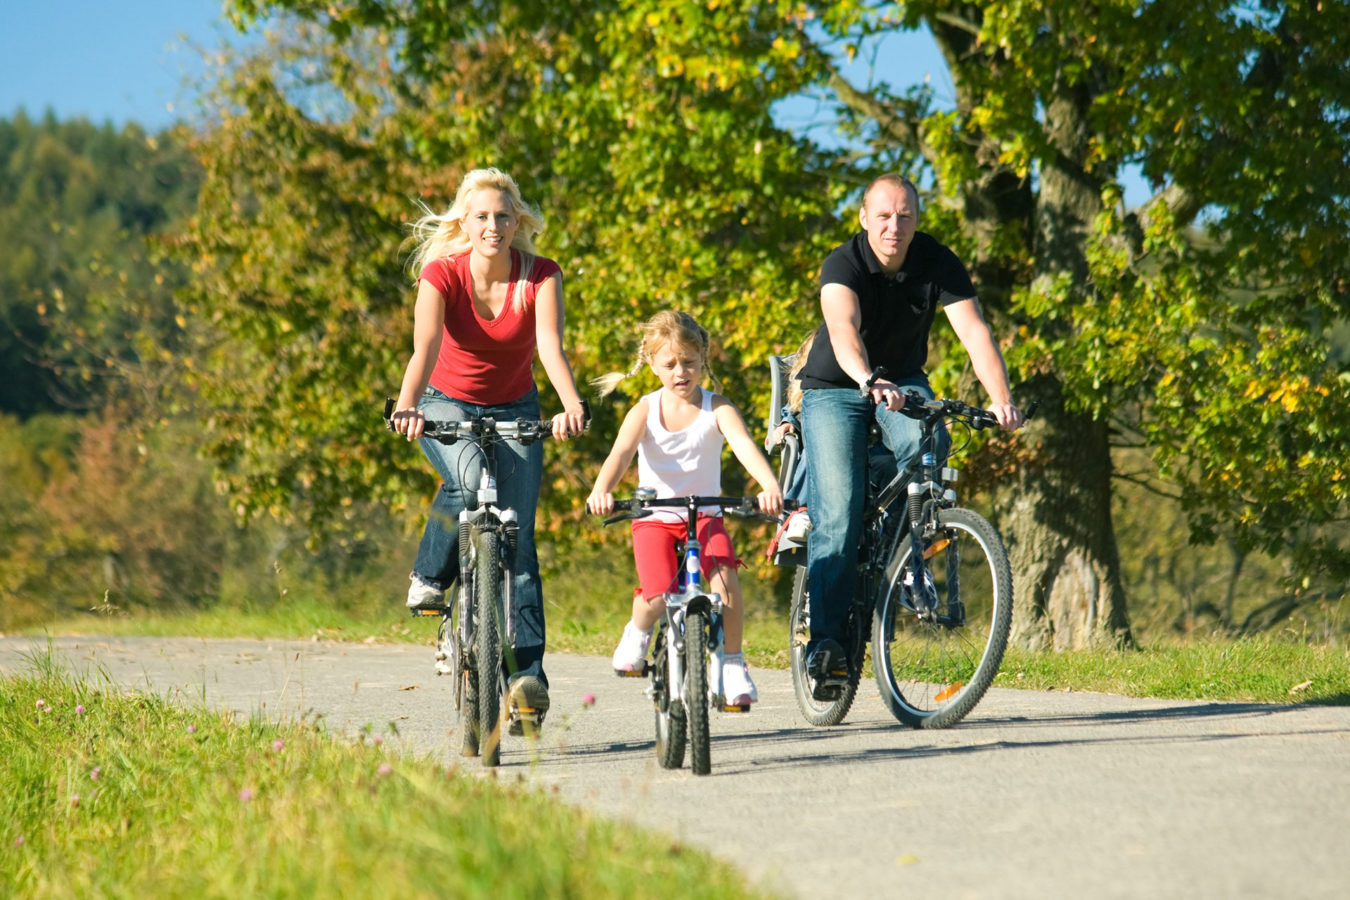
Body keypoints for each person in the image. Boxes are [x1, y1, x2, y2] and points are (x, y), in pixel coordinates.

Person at [798, 174, 1024, 695]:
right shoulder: (843, 263)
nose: (893, 226)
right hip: (836, 387)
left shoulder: (936, 260)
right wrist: (866, 379)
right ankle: (827, 647)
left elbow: (973, 332)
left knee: (932, 444)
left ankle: (906, 557)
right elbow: (842, 330)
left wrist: (1001, 400)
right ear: (864, 218)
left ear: (917, 221)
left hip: (901, 380)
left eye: (904, 216)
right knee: (839, 509)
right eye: (883, 216)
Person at [389, 167, 587, 729]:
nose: (493, 226)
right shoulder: (441, 274)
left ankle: (528, 680)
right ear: (463, 223)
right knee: (467, 482)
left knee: (519, 545)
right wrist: (408, 406)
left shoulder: (541, 276)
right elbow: (424, 346)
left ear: (518, 221)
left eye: (503, 216)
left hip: (517, 408)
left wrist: (569, 405)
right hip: (444, 402)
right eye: (481, 216)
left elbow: (549, 345)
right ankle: (431, 574)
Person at [586, 311, 784, 707]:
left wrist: (769, 485)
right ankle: (638, 631)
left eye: (689, 363)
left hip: (705, 518)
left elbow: (744, 446)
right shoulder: (644, 410)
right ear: (653, 365)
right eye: (670, 364)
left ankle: (731, 662)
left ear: (703, 360)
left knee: (725, 583)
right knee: (658, 596)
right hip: (655, 519)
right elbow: (620, 453)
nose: (681, 372)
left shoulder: (718, 408)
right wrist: (601, 489)